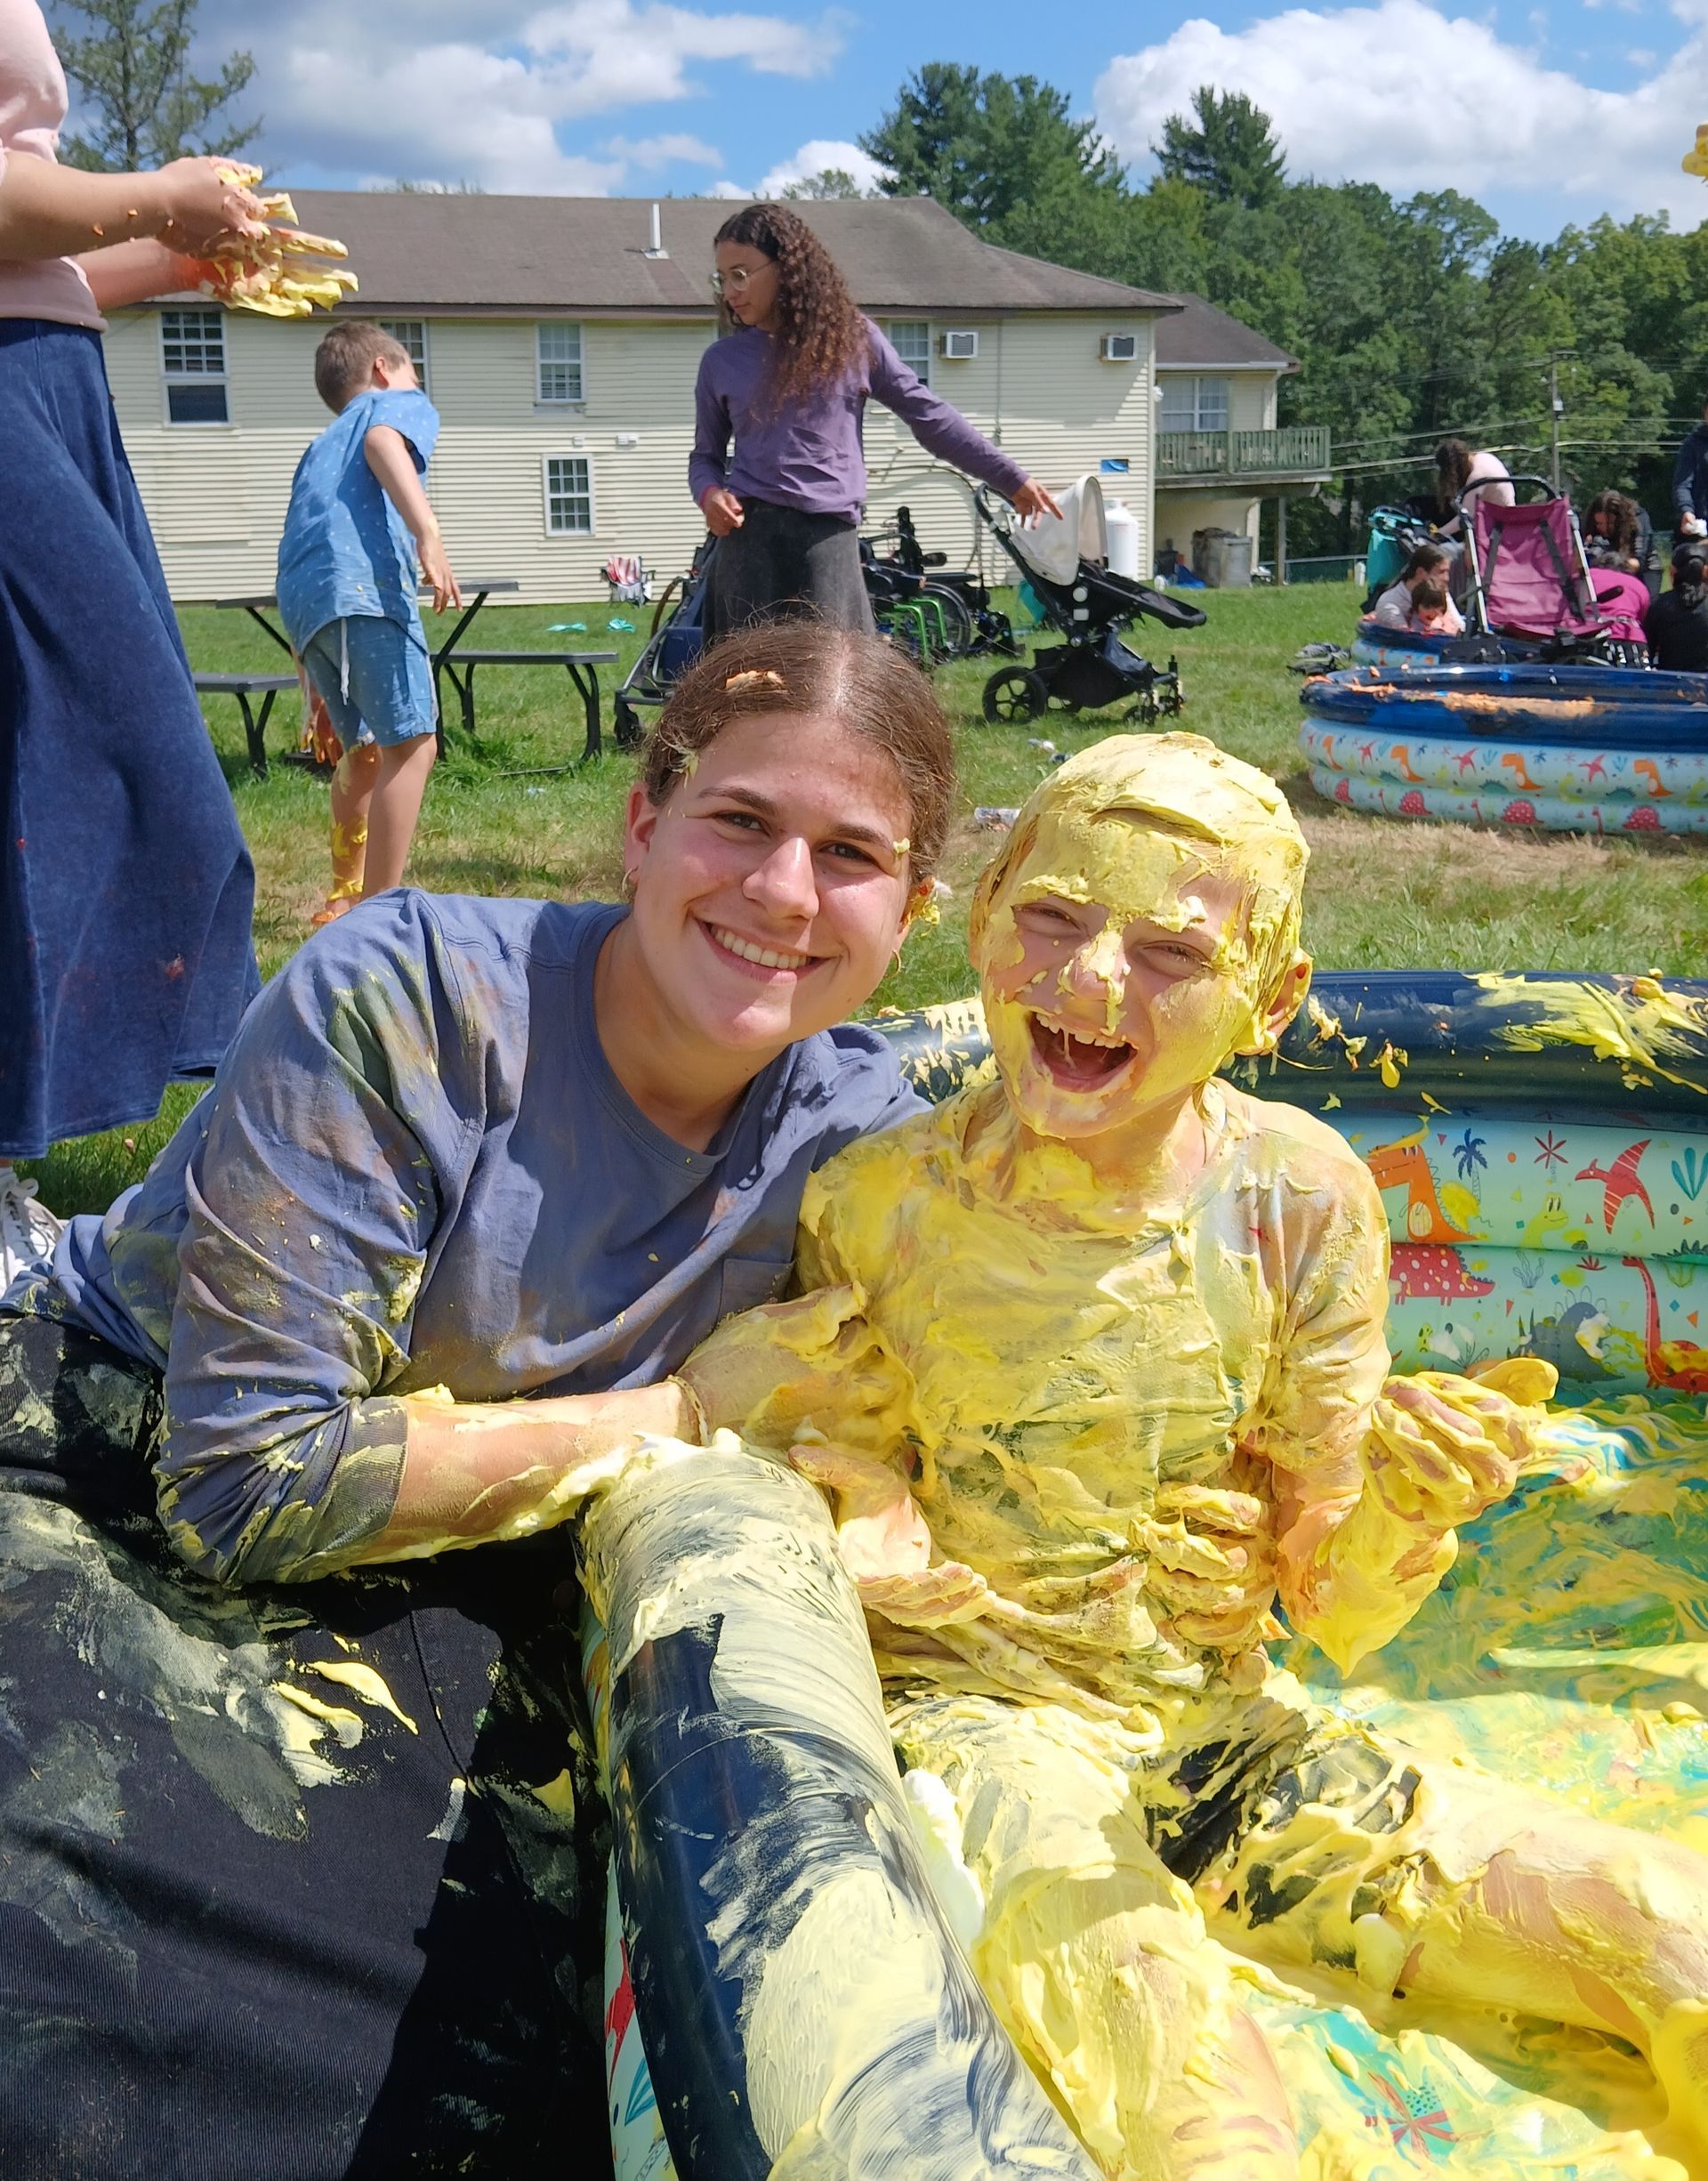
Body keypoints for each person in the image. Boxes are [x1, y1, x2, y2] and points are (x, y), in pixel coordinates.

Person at [0, 620, 952, 2177]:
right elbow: (243, 1482)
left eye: (851, 854)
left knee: (500, 2041)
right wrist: (682, 1418)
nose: (785, 891)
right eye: (739, 819)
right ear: (643, 825)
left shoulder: (863, 1145)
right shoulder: (414, 1003)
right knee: (96, 2005)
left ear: (910, 912)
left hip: (459, 1549)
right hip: (116, 1444)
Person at [687, 732, 1708, 2179]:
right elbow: (823, 1481)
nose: (1092, 980)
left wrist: (1402, 1508)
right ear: (983, 921)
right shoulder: (883, 1205)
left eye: (1174, 950)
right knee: (1203, 2104)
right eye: (1052, 916)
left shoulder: (1301, 1199)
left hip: (1230, 1733)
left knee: (1666, 1926)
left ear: (1271, 997)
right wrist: (867, 1542)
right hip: (992, 1736)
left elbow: (1338, 1613)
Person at [0, 0, 261, 1287]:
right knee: (109, 770)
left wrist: (169, 261)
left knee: (54, 782)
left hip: (45, 383)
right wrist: (159, 196)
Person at [689, 201, 1060, 642]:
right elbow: (705, 457)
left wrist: (1010, 478)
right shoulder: (721, 361)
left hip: (827, 548)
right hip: (748, 551)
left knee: (836, 680)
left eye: (741, 274)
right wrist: (710, 495)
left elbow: (929, 416)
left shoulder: (852, 340)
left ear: (787, 268)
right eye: (722, 278)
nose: (730, 291)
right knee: (747, 683)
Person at [277, 320, 461, 922]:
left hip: (307, 601)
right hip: (365, 591)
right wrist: (428, 532)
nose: (418, 386)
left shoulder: (320, 444)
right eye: (413, 373)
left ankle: (343, 894)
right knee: (413, 746)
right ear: (383, 369)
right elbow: (385, 442)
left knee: (364, 754)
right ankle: (379, 915)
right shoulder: (392, 407)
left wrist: (310, 661)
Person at [1365, 539, 1460, 631]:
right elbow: (1405, 638)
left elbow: (1460, 627)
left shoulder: (1439, 594)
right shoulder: (1391, 603)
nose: (1446, 578)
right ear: (1420, 572)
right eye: (1441, 572)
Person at [1645, 537, 1708, 671]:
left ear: (1672, 571)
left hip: (1671, 680)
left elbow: (1648, 648)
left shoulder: (1659, 604)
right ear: (1705, 571)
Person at [1433, 435, 1513, 535]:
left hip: (1497, 532)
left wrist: (1437, 534)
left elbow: (1466, 517)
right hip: (1506, 523)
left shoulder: (1477, 478)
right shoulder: (1485, 457)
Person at [1583, 487, 1656, 588]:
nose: (1603, 528)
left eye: (1609, 523)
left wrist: (1608, 561)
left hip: (1645, 569)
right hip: (1610, 568)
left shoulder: (1638, 519)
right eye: (1598, 523)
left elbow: (1637, 563)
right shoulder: (1592, 528)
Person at [1672, 391, 1708, 540]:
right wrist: (1686, 510)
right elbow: (1682, 484)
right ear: (1705, 412)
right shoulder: (1692, 445)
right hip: (1701, 526)